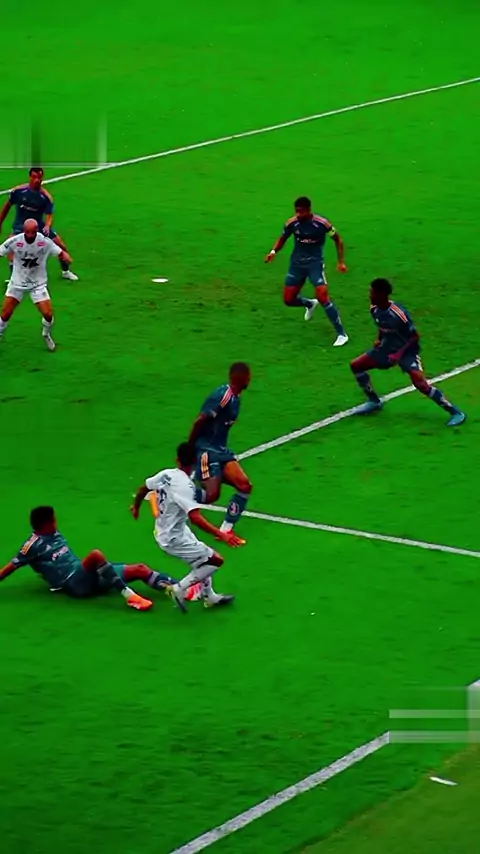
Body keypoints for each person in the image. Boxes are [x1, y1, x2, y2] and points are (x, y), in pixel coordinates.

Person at [131, 442, 242, 612]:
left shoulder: (166, 474)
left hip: (171, 529)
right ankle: (178, 589)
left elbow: (143, 488)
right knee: (215, 561)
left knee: (203, 557)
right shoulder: (185, 486)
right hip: (173, 538)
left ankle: (209, 596)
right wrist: (222, 534)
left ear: (177, 459)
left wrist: (136, 507)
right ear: (196, 462)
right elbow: (195, 518)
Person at [350, 278, 466, 426]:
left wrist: (398, 355)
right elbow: (381, 326)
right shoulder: (374, 308)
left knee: (421, 384)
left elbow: (414, 336)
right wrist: (379, 339)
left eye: (372, 292)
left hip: (406, 352)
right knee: (356, 365)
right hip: (387, 349)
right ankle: (374, 401)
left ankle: (456, 412)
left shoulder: (399, 314)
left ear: (381, 294)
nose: (369, 295)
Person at [0, 506, 162, 610]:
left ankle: (174, 588)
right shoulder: (31, 546)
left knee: (140, 569)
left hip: (86, 575)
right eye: (54, 520)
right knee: (95, 555)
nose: (56, 522)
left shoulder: (55, 533)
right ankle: (130, 597)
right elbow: (11, 566)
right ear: (47, 523)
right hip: (73, 583)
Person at [265, 196, 348, 346]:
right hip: (297, 265)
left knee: (323, 296)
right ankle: (309, 303)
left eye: (301, 211)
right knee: (288, 300)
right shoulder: (292, 223)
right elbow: (283, 238)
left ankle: (342, 334)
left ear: (309, 210)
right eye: (297, 211)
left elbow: (338, 240)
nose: (298, 214)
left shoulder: (322, 224)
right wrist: (273, 252)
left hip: (315, 264)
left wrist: (341, 262)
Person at [188, 362, 252, 536]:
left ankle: (226, 529)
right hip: (207, 451)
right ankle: (170, 493)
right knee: (211, 496)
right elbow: (199, 421)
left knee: (244, 485)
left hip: (221, 451)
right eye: (247, 377)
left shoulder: (236, 399)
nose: (249, 379)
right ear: (238, 378)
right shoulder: (222, 397)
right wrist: (191, 447)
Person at [0, 219, 71, 350]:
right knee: (5, 314)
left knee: (48, 314)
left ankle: (46, 334)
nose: (30, 235)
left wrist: (65, 256)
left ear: (37, 230)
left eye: (33, 232)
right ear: (24, 231)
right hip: (17, 284)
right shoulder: (14, 241)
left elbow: (59, 252)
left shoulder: (45, 242)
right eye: (28, 232)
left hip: (37, 284)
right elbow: (1, 250)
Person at [0, 167, 78, 281]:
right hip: (20, 226)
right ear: (30, 177)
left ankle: (66, 271)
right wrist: (0, 222)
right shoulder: (18, 191)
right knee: (12, 249)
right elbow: (7, 207)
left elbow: (49, 215)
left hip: (39, 226)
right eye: (34, 177)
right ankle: (14, 278)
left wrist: (47, 226)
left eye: (39, 177)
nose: (37, 180)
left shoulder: (45, 197)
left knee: (61, 246)